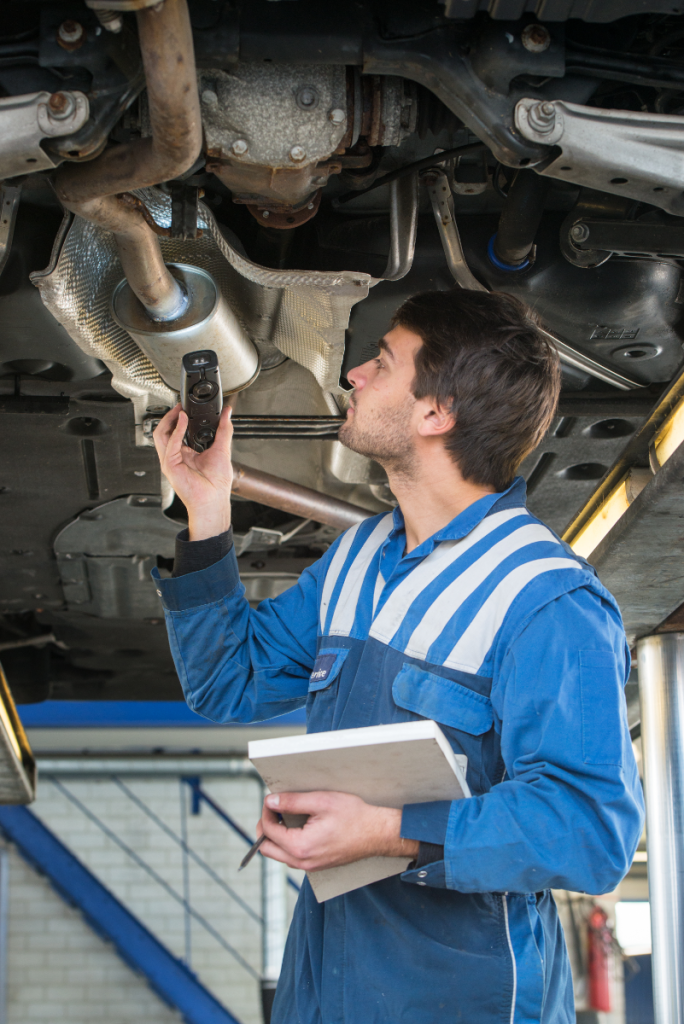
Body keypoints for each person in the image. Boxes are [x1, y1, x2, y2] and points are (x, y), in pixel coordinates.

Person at [153, 288, 644, 1024]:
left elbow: (591, 828)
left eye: (381, 363)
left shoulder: (543, 599)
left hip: (457, 997)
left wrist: (386, 830)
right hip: (323, 985)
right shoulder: (358, 558)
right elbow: (229, 680)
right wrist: (207, 509)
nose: (353, 373)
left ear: (434, 414)